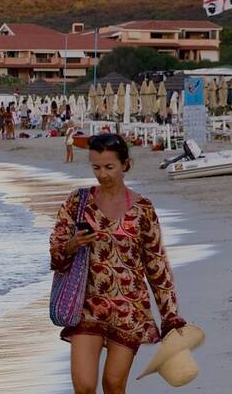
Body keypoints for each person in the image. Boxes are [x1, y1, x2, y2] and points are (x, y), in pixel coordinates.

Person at [50, 133, 186, 394]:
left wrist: (170, 316)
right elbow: (56, 254)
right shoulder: (77, 202)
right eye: (96, 167)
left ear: (125, 164)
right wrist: (72, 245)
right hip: (86, 305)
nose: (102, 174)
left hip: (129, 310)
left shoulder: (143, 209)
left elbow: (156, 265)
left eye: (109, 167)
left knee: (113, 385)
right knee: (84, 386)